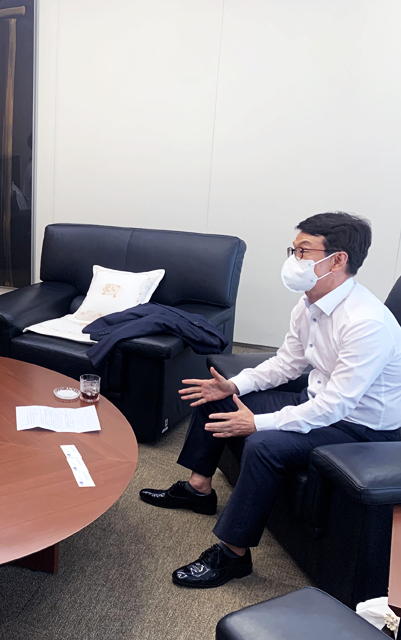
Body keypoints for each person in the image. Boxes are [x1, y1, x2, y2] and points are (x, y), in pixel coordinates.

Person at [140, 212, 401, 588]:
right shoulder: (310, 304)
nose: (294, 260)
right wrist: (234, 386)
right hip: (319, 402)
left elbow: (336, 406)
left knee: (264, 445)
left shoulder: (366, 323)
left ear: (338, 260)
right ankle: (198, 489)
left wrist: (257, 423)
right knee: (217, 395)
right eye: (293, 250)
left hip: (361, 428)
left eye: (304, 251)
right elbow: (286, 364)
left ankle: (233, 555)